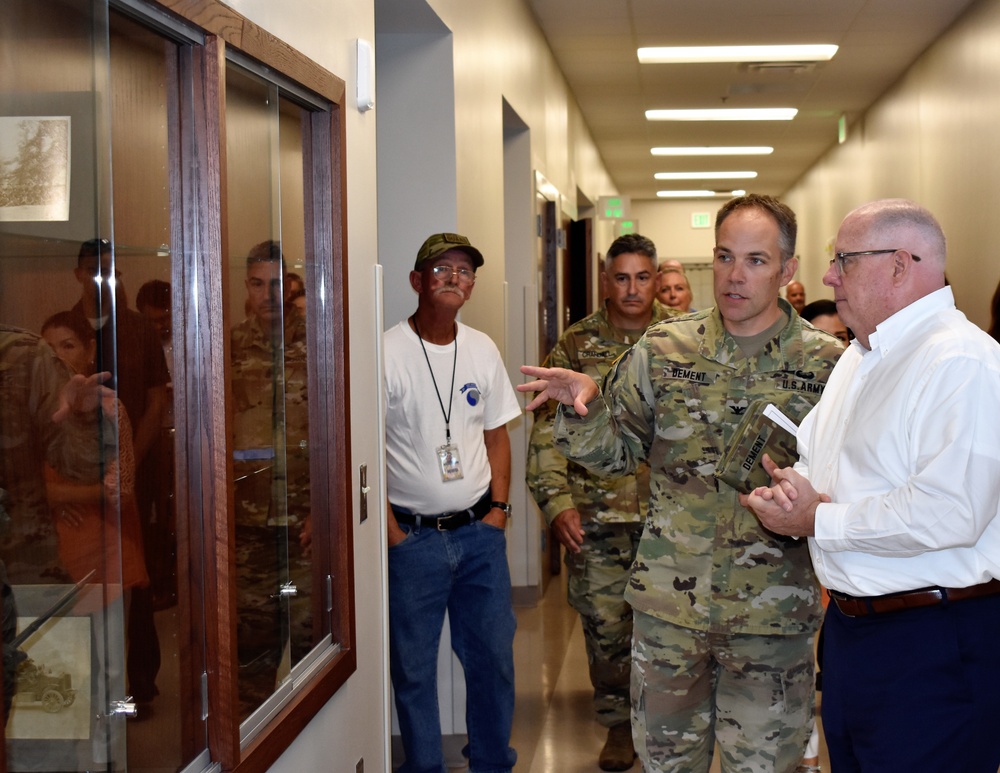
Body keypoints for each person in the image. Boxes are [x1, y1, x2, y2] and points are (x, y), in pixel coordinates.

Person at [518, 194, 843, 772]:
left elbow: (857, 481)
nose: (734, 276)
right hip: (671, 612)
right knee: (667, 764)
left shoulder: (830, 365)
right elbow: (616, 455)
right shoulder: (666, 349)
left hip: (773, 616)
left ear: (788, 270)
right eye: (723, 257)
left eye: (755, 260)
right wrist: (582, 411)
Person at [745, 199, 1000, 773]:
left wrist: (818, 520)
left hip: (934, 641)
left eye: (844, 260)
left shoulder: (960, 362)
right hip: (855, 636)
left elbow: (950, 512)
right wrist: (791, 492)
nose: (829, 275)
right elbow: (820, 458)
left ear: (901, 265)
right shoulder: (863, 356)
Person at [526, 233, 673, 771]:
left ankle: (660, 721)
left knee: (668, 625)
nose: (631, 288)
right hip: (597, 514)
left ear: (656, 279)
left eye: (642, 276)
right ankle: (618, 723)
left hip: (670, 516)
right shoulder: (576, 343)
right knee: (607, 625)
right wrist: (556, 501)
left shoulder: (680, 341)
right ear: (605, 281)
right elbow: (546, 429)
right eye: (621, 277)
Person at [385, 232, 521, 773]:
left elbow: (497, 436)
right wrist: (391, 535)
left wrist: (499, 512)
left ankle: (492, 762)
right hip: (411, 539)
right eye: (442, 269)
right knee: (414, 670)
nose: (454, 278)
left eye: (464, 271)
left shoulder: (482, 347)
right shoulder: (386, 349)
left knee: (493, 661)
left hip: (479, 535)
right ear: (417, 280)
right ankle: (424, 766)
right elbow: (363, 449)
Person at [63, 238, 169, 711]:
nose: (101, 278)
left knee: (135, 579)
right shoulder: (63, 329)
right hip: (75, 485)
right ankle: (82, 694)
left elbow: (155, 401)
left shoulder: (140, 330)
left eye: (110, 270)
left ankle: (141, 684)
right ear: (78, 274)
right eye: (92, 270)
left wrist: (127, 461)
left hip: (137, 471)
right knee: (83, 580)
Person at [230, 240, 313, 719]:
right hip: (248, 526)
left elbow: (340, 432)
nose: (267, 294)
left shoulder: (320, 342)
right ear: (246, 287)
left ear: (291, 284)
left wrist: (325, 507)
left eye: (276, 284)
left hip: (306, 523)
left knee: (311, 645)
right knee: (251, 652)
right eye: (257, 284)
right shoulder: (230, 345)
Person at [135, 279, 177, 610]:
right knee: (153, 517)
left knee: (181, 515)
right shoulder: (136, 346)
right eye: (152, 320)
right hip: (150, 442)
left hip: (185, 438)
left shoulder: (191, 341)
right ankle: (155, 585)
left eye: (165, 318)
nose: (160, 326)